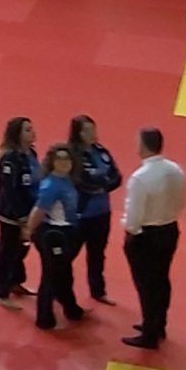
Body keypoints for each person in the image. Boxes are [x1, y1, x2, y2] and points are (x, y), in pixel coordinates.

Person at [121, 126, 186, 350]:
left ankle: (149, 332)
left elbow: (134, 216)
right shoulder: (176, 170)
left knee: (146, 285)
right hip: (169, 229)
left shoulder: (140, 178)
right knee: (161, 280)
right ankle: (158, 324)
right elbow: (181, 202)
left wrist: (130, 231)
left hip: (146, 236)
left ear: (142, 145)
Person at [23, 143, 86, 329]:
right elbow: (39, 210)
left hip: (66, 231)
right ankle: (44, 317)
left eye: (67, 159)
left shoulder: (67, 180)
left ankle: (71, 308)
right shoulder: (51, 185)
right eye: (59, 159)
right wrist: (28, 230)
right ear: (52, 162)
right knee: (51, 275)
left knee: (64, 273)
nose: (64, 162)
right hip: (53, 234)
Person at [68, 115, 121, 306]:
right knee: (68, 254)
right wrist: (98, 185)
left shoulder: (102, 152)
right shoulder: (71, 155)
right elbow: (79, 181)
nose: (92, 134)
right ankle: (59, 289)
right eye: (87, 131)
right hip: (79, 214)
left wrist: (103, 186)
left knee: (97, 254)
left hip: (102, 213)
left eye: (93, 129)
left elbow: (116, 176)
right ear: (78, 133)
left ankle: (98, 290)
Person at [0, 116, 39, 307]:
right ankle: (1, 291)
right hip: (11, 213)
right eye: (27, 130)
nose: (32, 132)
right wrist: (21, 216)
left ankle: (15, 281)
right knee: (7, 250)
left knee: (23, 247)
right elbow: (10, 190)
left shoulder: (31, 154)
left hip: (29, 208)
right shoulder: (9, 159)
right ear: (16, 134)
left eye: (32, 128)